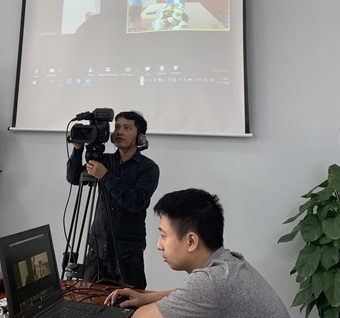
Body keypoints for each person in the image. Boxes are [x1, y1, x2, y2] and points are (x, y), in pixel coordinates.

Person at [105, 188, 290, 318]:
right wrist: (146, 298)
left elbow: (139, 317)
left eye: (163, 235)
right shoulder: (228, 263)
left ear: (191, 241)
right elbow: (191, 294)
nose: (159, 245)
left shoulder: (210, 283)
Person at [66, 111, 160, 289]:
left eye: (127, 128)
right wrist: (78, 150)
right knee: (87, 298)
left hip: (128, 252)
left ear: (140, 136)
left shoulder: (148, 168)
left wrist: (106, 176)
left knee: (129, 301)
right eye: (117, 127)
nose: (120, 132)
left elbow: (136, 203)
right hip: (97, 249)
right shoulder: (104, 161)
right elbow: (74, 178)